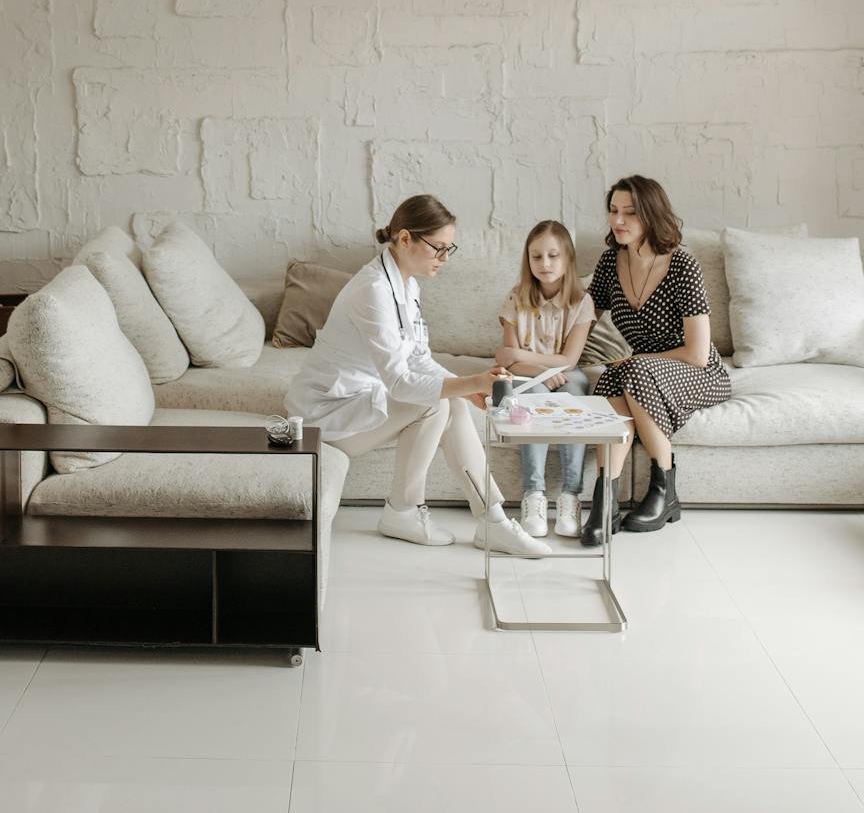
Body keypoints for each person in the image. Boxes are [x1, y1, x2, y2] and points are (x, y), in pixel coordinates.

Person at [286, 194, 549, 558]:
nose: (444, 258)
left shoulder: (407, 284)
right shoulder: (372, 291)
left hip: (362, 399)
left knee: (448, 402)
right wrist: (472, 382)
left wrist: (466, 388)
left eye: (448, 249)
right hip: (329, 415)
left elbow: (419, 359)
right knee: (434, 405)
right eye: (438, 248)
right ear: (405, 238)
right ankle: (404, 511)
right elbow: (400, 383)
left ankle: (493, 520)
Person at [582, 175, 730, 546]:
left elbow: (697, 352)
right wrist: (552, 360)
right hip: (642, 371)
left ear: (651, 215)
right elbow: (584, 319)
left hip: (698, 371)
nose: (618, 220)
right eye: (614, 211)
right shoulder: (609, 262)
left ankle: (665, 489)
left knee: (630, 369)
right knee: (610, 380)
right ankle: (606, 500)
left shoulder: (683, 266)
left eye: (630, 213)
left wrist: (636, 360)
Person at [494, 220, 594, 538]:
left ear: (567, 259)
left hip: (567, 375)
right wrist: (535, 368)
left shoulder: (581, 302)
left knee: (574, 397)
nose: (545, 264)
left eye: (553, 256)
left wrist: (522, 355)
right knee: (531, 400)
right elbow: (507, 360)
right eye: (537, 257)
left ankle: (570, 495)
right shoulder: (516, 298)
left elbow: (568, 361)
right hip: (530, 377)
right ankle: (533, 494)